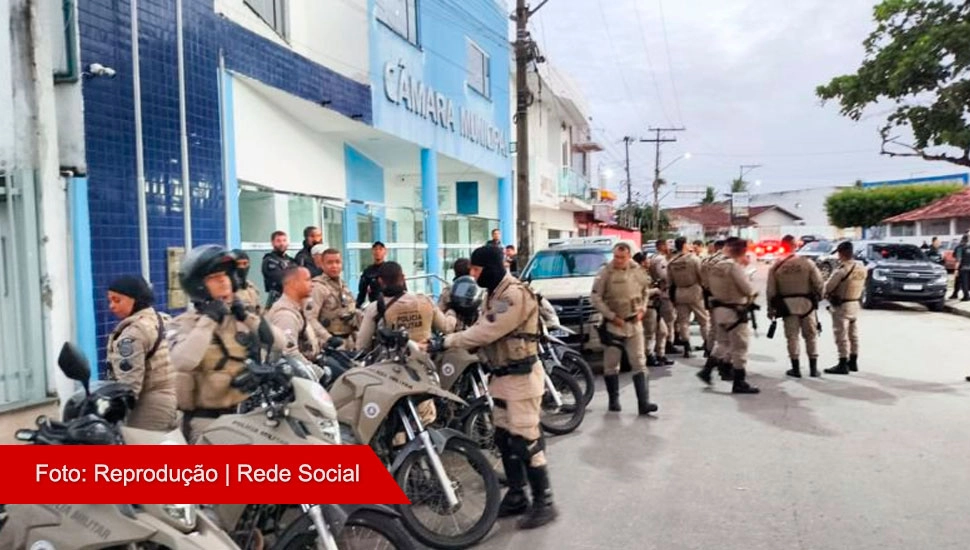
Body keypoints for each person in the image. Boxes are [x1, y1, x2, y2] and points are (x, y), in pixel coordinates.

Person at [427, 245, 557, 530]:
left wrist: (446, 342)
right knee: (504, 438)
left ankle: (544, 501)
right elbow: (481, 327)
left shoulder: (513, 295)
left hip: (521, 379)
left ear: (492, 267)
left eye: (477, 269)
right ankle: (517, 495)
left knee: (526, 440)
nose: (474, 275)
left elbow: (486, 331)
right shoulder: (493, 294)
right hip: (500, 378)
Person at [169, 244, 285, 440]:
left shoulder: (242, 318)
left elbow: (279, 344)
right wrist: (209, 320)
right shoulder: (184, 324)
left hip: (247, 417)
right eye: (214, 278)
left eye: (225, 275)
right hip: (207, 423)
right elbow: (182, 361)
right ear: (198, 285)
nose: (223, 281)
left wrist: (246, 316)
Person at [591, 241, 660, 414]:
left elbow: (645, 291)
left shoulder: (637, 270)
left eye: (622, 257)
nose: (618, 260)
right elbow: (595, 298)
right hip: (613, 325)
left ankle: (644, 403)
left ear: (629, 256)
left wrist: (643, 309)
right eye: (616, 256)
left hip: (634, 322)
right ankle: (613, 400)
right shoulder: (605, 272)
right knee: (611, 364)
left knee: (639, 362)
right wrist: (611, 316)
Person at [105, 275, 178, 431]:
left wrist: (117, 410)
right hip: (175, 399)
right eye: (110, 300)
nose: (111, 306)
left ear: (135, 299)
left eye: (117, 300)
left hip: (149, 406)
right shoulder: (163, 319)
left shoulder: (133, 334)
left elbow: (129, 383)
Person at [696, 237, 760, 394]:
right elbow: (747, 289)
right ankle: (739, 382)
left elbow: (707, 285)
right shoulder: (733, 267)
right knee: (740, 347)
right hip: (735, 311)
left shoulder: (715, 266)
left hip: (719, 310)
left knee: (723, 343)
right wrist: (754, 292)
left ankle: (707, 370)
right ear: (742, 251)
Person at [356, 261, 456, 352]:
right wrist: (452, 312)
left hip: (392, 362)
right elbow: (447, 328)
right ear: (403, 278)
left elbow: (362, 345)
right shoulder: (425, 301)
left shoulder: (375, 308)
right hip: (424, 361)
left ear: (380, 281)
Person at [766, 235, 824, 378]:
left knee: (792, 337)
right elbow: (819, 283)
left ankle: (795, 368)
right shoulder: (807, 263)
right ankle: (813, 368)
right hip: (807, 305)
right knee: (811, 336)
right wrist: (820, 296)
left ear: (782, 245)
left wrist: (771, 309)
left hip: (787, 306)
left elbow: (771, 291)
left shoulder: (776, 267)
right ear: (795, 245)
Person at [822, 241, 867, 375]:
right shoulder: (861, 268)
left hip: (842, 305)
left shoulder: (841, 270)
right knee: (853, 334)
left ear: (841, 253)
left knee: (841, 334)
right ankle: (853, 361)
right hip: (855, 303)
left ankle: (842, 363)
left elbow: (828, 287)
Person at [667, 236, 710, 358]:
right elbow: (702, 277)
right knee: (703, 321)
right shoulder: (694, 259)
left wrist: (672, 297)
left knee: (683, 322)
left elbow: (670, 282)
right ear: (684, 245)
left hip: (680, 293)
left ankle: (686, 346)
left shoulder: (672, 262)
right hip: (695, 291)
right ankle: (708, 345)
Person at [267, 266, 320, 362]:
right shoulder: (285, 315)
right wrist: (317, 370)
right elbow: (290, 355)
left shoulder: (297, 309)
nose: (312, 284)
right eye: (307, 280)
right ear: (294, 284)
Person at [310, 246, 359, 348]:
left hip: (349, 340)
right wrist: (328, 338)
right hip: (329, 342)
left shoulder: (342, 285)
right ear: (322, 265)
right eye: (330, 262)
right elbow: (310, 319)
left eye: (337, 262)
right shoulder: (318, 287)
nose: (334, 266)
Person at [700, 240, 732, 379]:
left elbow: (702, 280)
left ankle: (709, 351)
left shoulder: (706, 260)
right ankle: (723, 363)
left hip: (710, 296)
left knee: (713, 327)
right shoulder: (726, 260)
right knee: (727, 334)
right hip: (724, 299)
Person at [636, 252, 674, 367]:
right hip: (647, 306)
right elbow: (639, 293)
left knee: (663, 331)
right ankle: (649, 355)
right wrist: (655, 291)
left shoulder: (645, 273)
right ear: (642, 262)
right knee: (649, 334)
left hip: (655, 306)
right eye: (646, 260)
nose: (649, 261)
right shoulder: (637, 276)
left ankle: (660, 354)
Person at [649, 239, 679, 356]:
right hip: (664, 291)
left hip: (660, 292)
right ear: (661, 246)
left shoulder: (653, 257)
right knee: (669, 319)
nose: (668, 247)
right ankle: (668, 343)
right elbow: (664, 276)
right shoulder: (660, 259)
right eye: (667, 245)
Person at [261, 230, 295, 309]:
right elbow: (280, 279)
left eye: (284, 240)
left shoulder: (291, 260)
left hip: (291, 299)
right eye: (278, 241)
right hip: (276, 299)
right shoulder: (269, 260)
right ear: (273, 243)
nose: (282, 243)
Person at [230, 249, 262, 315]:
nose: (242, 267)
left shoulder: (251, 287)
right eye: (238, 264)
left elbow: (259, 311)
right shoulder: (226, 289)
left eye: (245, 263)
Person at [356, 241, 387, 308]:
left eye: (380, 249)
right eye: (375, 249)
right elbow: (362, 293)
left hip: (389, 305)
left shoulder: (390, 269)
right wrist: (357, 307)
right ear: (372, 252)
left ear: (385, 251)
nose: (378, 251)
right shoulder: (368, 271)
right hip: (374, 306)